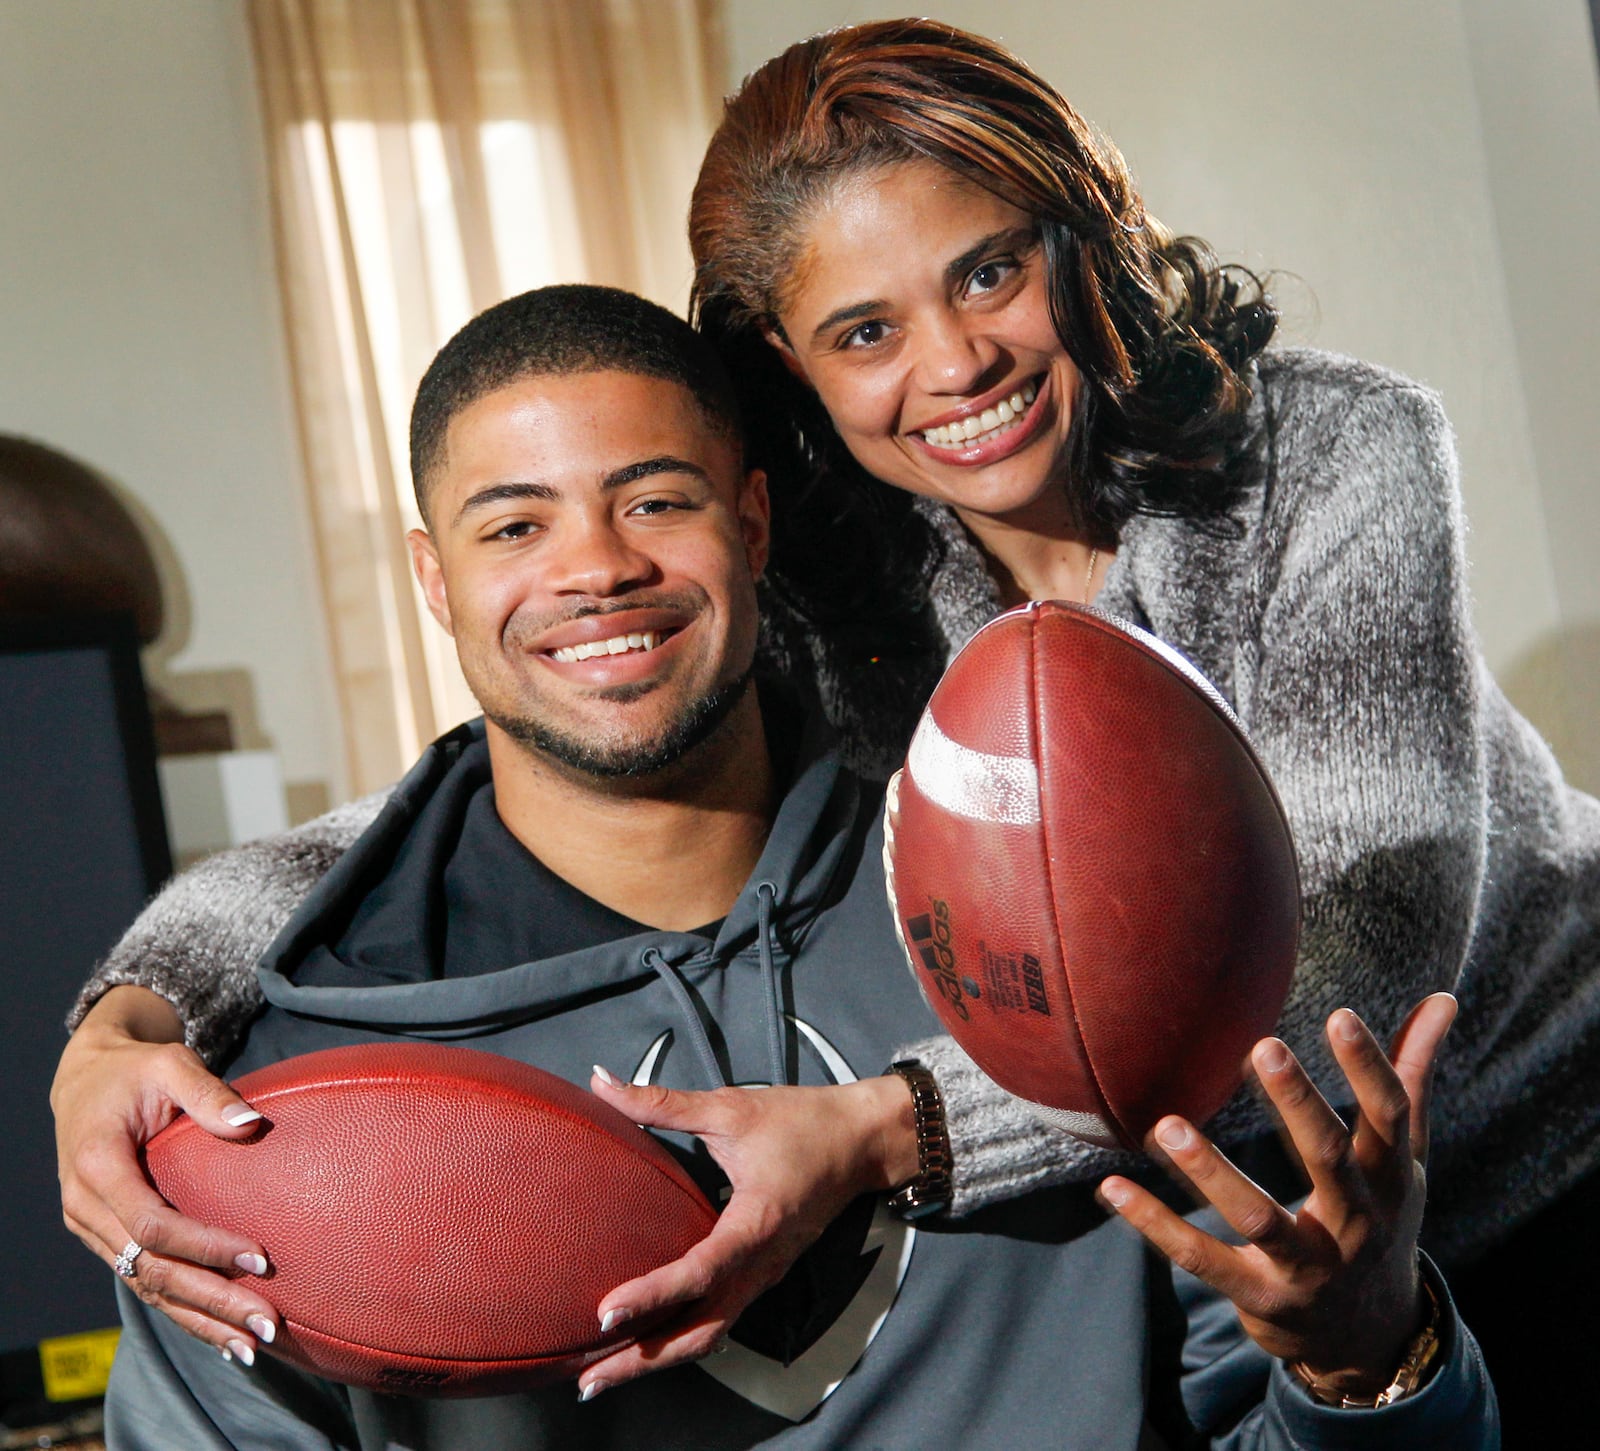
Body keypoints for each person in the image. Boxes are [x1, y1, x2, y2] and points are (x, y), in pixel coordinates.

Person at [52, 9, 1588, 1414]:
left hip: (1543, 1151)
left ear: (1084, 236)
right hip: (1265, 1256)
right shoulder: (838, 567)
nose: (956, 360)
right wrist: (129, 1012)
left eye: (990, 268)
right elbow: (465, 798)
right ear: (787, 360)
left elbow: (1346, 981)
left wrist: (889, 1131)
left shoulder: (1332, 456)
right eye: (865, 332)